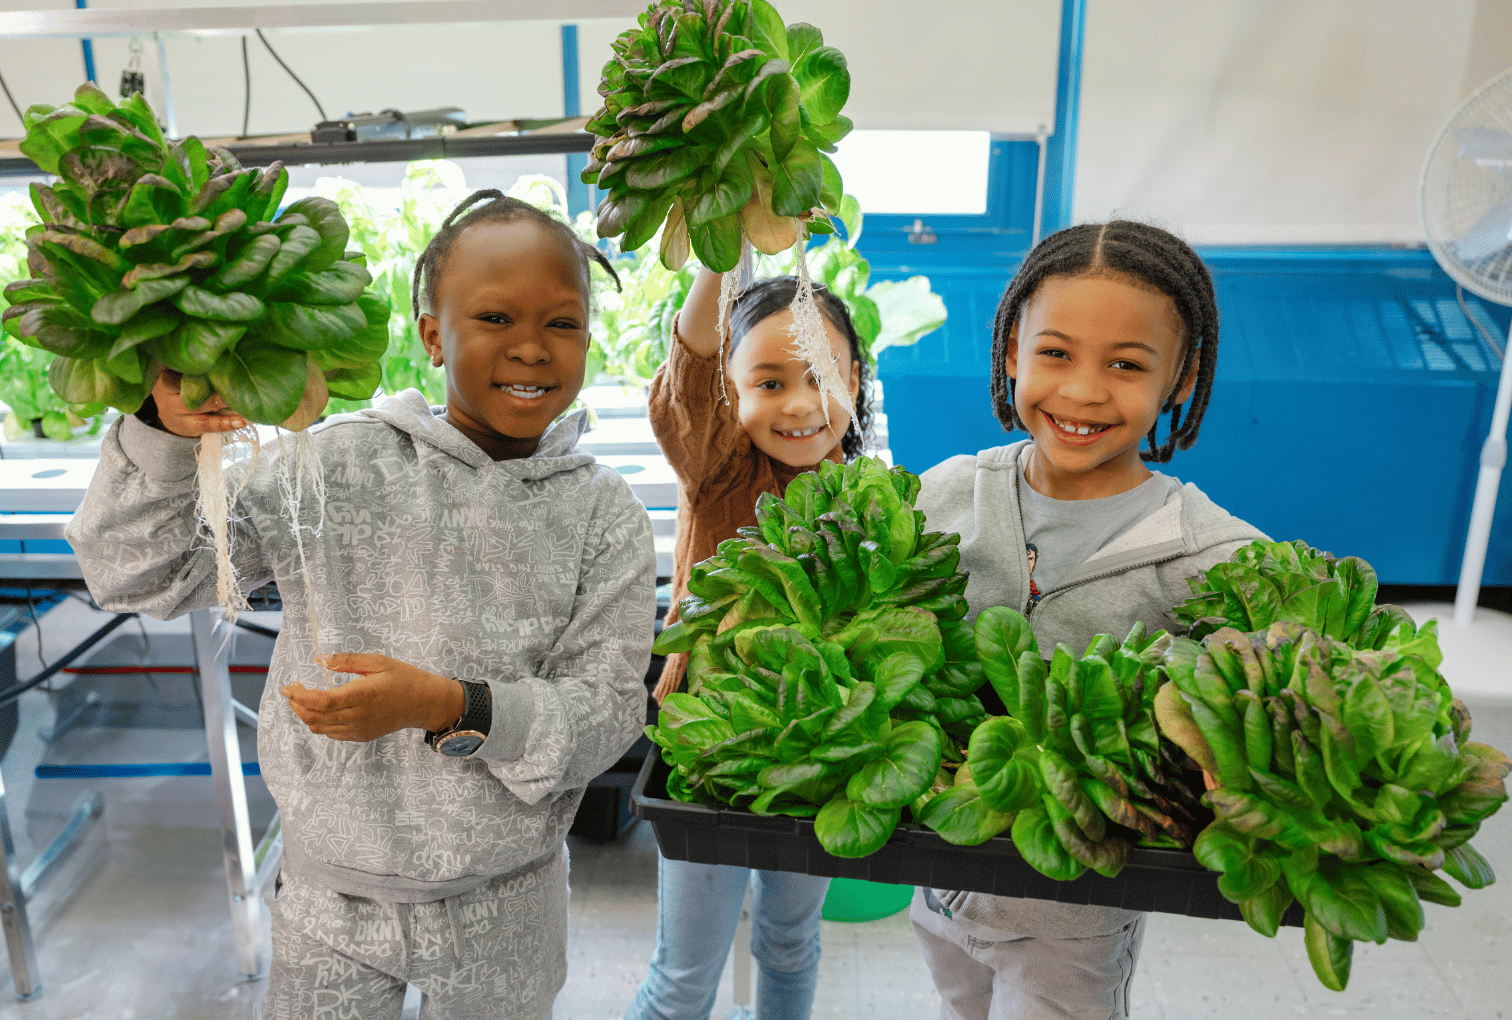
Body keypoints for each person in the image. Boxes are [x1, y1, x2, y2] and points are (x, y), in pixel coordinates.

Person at [66, 191, 657, 1020]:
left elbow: (606, 712)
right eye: (493, 317)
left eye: (561, 324)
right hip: (330, 904)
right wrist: (163, 434)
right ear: (431, 334)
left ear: (588, 341)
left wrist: (454, 705)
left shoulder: (604, 513)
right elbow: (144, 573)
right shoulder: (338, 463)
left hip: (509, 905)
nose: (531, 348)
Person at [909, 221, 1268, 1020]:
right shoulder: (944, 495)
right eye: (1056, 353)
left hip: (1072, 920)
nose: (1082, 391)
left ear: (1182, 376)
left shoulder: (1215, 556)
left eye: (1127, 365)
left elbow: (1302, 673)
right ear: (1011, 352)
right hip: (933, 881)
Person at [626, 270, 875, 1020]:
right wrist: (716, 255)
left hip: (820, 752)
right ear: (730, 395)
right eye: (768, 382)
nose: (799, 405)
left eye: (821, 377)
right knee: (683, 979)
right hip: (710, 755)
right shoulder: (718, 469)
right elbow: (692, 367)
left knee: (793, 942)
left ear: (856, 381)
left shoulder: (866, 496)